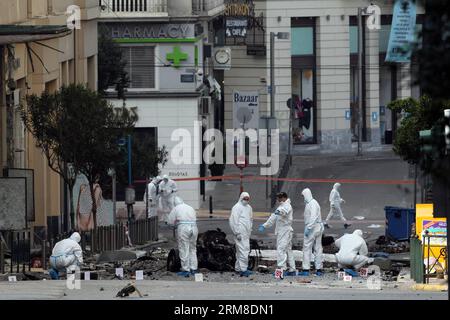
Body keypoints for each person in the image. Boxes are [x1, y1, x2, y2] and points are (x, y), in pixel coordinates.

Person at [258, 192, 297, 276]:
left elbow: (284, 212)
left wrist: (279, 211)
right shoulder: (281, 206)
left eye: (279, 198)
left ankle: (282, 270)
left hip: (285, 231)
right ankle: (292, 270)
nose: (278, 200)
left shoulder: (287, 206)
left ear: (284, 197)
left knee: (281, 250)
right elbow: (273, 218)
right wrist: (265, 225)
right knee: (287, 250)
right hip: (283, 231)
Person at [167, 197, 198, 277]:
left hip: (183, 228)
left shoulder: (176, 208)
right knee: (193, 248)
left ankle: (185, 270)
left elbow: (170, 221)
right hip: (194, 227)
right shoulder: (190, 207)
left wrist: (173, 224)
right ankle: (194, 268)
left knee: (184, 248)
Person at [299, 188, 324, 276]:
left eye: (303, 196)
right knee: (318, 248)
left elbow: (313, 217)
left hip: (312, 227)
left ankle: (306, 269)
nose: (303, 198)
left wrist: (309, 227)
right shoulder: (313, 203)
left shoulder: (312, 204)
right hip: (318, 227)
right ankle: (319, 269)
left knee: (307, 248)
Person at [229, 192, 253, 277]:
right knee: (243, 251)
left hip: (246, 233)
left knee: (240, 251)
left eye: (247, 199)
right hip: (240, 233)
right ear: (241, 198)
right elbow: (233, 221)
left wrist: (250, 230)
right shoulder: (237, 207)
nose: (246, 200)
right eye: (245, 198)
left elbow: (250, 219)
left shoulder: (249, 208)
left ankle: (238, 268)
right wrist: (237, 232)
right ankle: (243, 269)